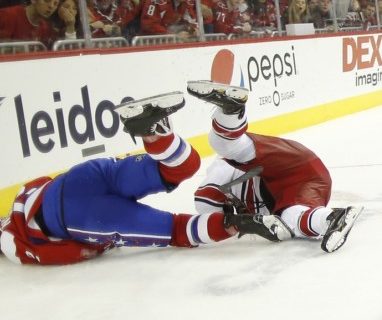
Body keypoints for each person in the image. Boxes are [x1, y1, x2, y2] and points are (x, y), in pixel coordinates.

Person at [0, 92, 287, 265]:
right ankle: (156, 134)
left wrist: (100, 245)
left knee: (175, 229)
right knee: (175, 168)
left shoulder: (13, 245)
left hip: (80, 216)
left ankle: (233, 223)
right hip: (85, 176)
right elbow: (42, 181)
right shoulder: (18, 203)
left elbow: (70, 252)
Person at [186, 80, 361, 253]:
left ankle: (231, 111)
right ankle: (332, 218)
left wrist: (232, 221)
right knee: (290, 218)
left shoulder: (220, 168)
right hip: (305, 186)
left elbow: (204, 200)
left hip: (291, 166)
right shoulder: (249, 208)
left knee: (226, 146)